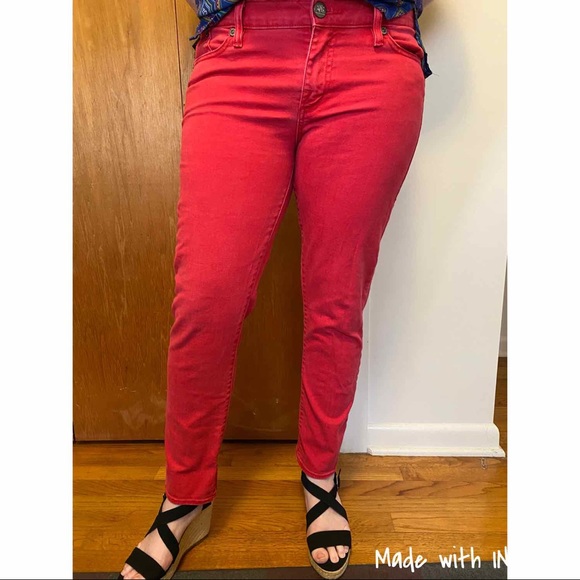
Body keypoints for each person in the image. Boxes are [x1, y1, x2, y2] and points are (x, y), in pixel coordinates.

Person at [118, 0, 432, 578]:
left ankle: (320, 473)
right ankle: (185, 496)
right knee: (205, 299)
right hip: (241, 47)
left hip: (372, 50)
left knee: (338, 298)